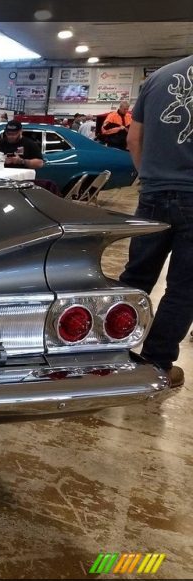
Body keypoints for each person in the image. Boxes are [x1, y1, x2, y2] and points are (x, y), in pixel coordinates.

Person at [118, 55, 193, 389]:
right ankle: (156, 363)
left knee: (136, 277)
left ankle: (108, 350)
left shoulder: (158, 77)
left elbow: (134, 140)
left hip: (153, 193)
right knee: (184, 288)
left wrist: (150, 179)